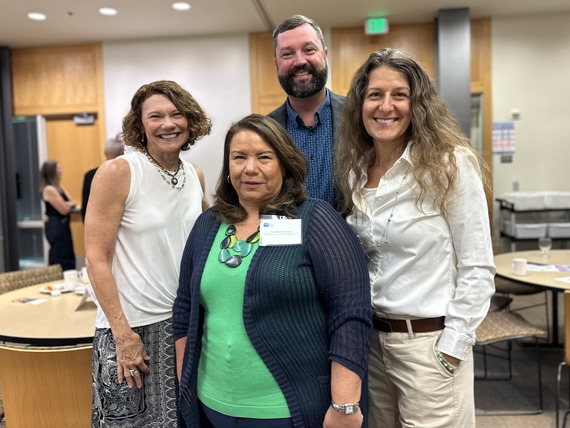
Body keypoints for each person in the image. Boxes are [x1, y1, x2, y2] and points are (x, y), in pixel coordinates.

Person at [173, 114, 373, 428]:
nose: (249, 168)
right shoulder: (207, 225)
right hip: (211, 404)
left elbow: (350, 315)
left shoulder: (316, 220)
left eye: (264, 157)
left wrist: (345, 406)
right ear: (228, 167)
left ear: (284, 163)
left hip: (286, 411)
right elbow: (185, 308)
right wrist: (185, 388)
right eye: (239, 157)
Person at [333, 48, 496, 427]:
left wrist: (453, 347)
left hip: (429, 346)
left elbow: (477, 265)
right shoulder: (357, 171)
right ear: (361, 102)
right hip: (373, 345)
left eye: (399, 95)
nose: (385, 106)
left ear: (418, 103)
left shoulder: (450, 165)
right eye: (375, 95)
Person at [85, 80, 212, 427]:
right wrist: (123, 335)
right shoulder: (118, 172)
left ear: (190, 120)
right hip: (132, 328)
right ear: (140, 125)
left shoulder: (194, 175)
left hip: (184, 323)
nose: (168, 124)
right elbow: (96, 259)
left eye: (177, 114)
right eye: (155, 116)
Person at [268, 15, 345, 207]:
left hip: (349, 236)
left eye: (309, 50)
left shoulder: (359, 115)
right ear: (277, 63)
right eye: (287, 54)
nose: (300, 61)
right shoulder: (265, 130)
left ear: (325, 55)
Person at [40, 160, 77, 271]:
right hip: (55, 227)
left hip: (63, 226)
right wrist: (68, 205)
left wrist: (68, 204)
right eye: (58, 169)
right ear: (52, 172)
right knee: (59, 255)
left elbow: (73, 203)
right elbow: (64, 210)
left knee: (68, 253)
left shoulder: (60, 188)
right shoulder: (49, 189)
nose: (61, 171)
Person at [81, 133, 125, 222]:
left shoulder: (90, 175)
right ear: (122, 152)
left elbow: (85, 208)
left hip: (95, 225)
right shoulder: (124, 175)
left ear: (105, 152)